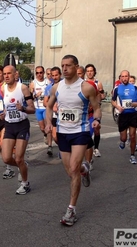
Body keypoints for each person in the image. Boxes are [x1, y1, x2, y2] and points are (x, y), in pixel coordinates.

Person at [45, 55, 101, 226]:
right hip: (62, 132)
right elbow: (48, 106)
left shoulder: (86, 88)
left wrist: (97, 120)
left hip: (81, 131)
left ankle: (71, 210)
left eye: (68, 65)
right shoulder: (57, 87)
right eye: (63, 66)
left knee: (73, 168)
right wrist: (48, 122)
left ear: (76, 67)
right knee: (71, 171)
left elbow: (97, 107)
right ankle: (85, 170)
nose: (64, 69)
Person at [0, 65, 35, 194]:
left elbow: (32, 109)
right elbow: (7, 106)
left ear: (15, 74)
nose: (6, 76)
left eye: (9, 73)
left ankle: (25, 184)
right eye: (4, 74)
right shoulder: (4, 88)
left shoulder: (23, 88)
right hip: (9, 125)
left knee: (18, 158)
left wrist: (24, 108)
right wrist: (3, 113)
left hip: (22, 126)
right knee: (6, 158)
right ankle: (23, 166)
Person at [111, 70, 137, 164]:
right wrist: (118, 106)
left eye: (126, 76)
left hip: (133, 114)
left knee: (132, 136)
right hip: (122, 114)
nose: (124, 78)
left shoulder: (135, 88)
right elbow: (113, 101)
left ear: (129, 77)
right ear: (120, 77)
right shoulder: (117, 88)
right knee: (123, 137)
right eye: (122, 76)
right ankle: (122, 141)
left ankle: (132, 155)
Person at [29, 66, 51, 155]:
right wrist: (35, 96)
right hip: (38, 108)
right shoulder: (33, 83)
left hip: (46, 108)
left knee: (48, 126)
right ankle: (45, 135)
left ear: (43, 73)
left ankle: (50, 147)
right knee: (42, 128)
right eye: (37, 73)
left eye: (41, 72)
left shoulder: (48, 82)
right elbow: (29, 97)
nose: (39, 74)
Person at [85, 64, 104, 157]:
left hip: (95, 109)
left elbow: (102, 95)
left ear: (94, 72)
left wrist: (100, 96)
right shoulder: (83, 83)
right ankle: (89, 149)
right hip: (86, 111)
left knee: (97, 130)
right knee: (87, 132)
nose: (89, 73)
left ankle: (96, 148)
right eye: (88, 71)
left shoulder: (98, 83)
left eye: (91, 71)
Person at [43, 66, 62, 156]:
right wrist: (52, 107)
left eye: (56, 75)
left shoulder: (65, 85)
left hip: (64, 114)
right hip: (54, 114)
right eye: (52, 75)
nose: (54, 77)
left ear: (60, 75)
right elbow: (45, 102)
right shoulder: (49, 88)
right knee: (55, 137)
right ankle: (63, 148)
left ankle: (65, 150)